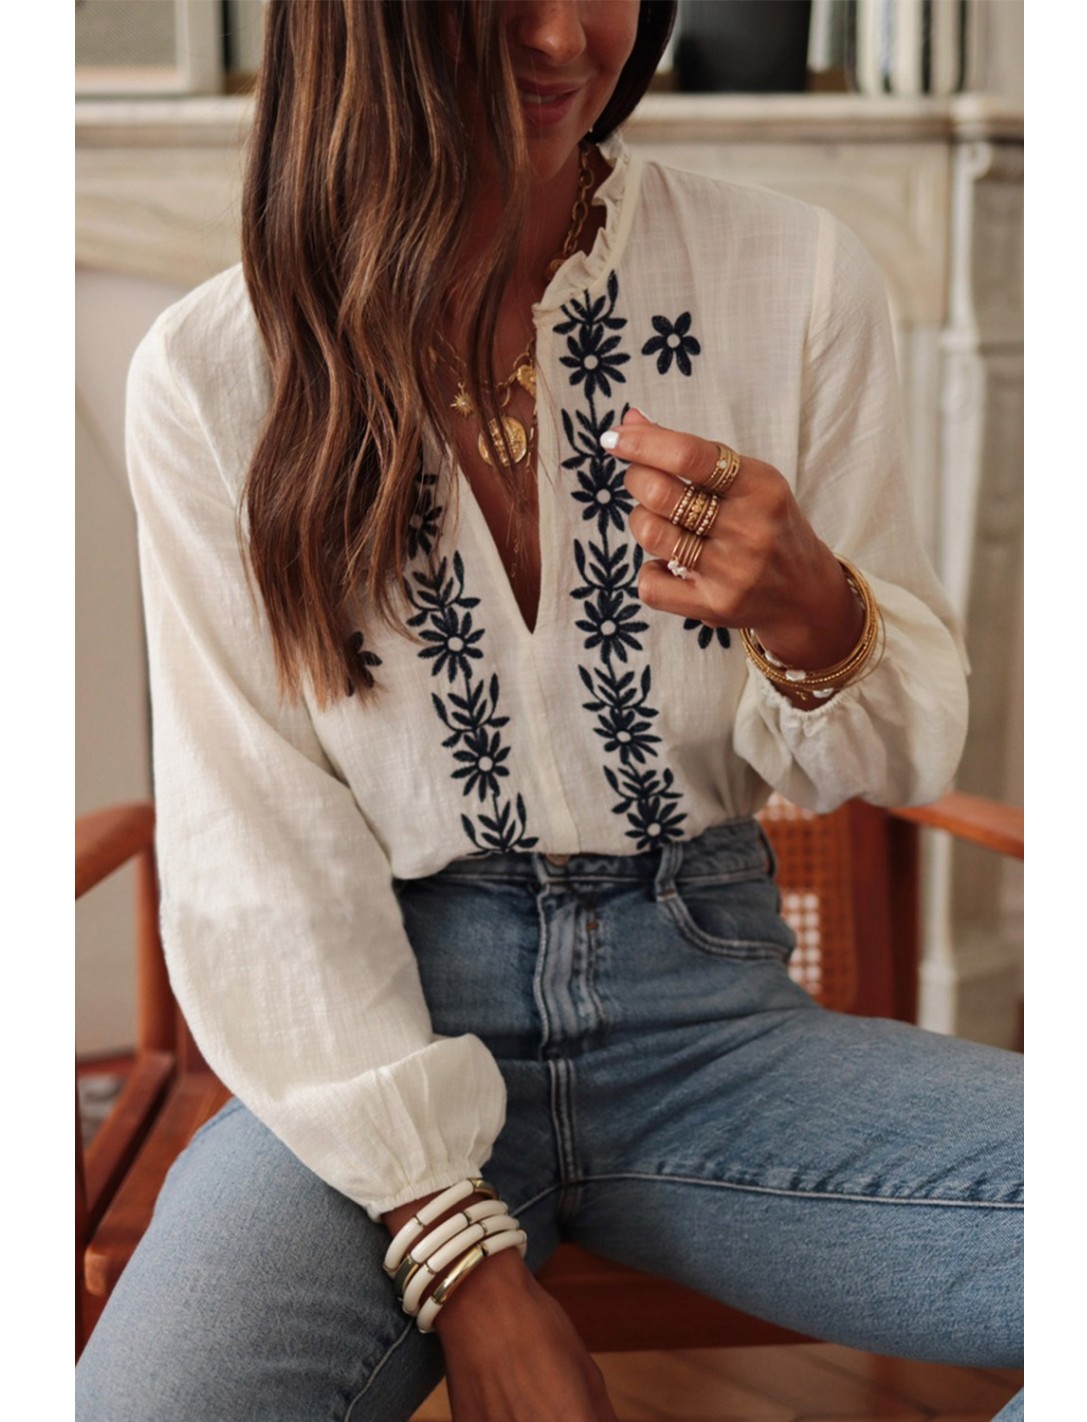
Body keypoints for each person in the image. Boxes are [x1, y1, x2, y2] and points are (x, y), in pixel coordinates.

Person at [76, 2, 1022, 1419]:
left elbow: (898, 753)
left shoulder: (792, 277)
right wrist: (464, 1264)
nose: (568, 36)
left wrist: (814, 610)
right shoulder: (219, 373)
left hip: (714, 1026)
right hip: (382, 1045)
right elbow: (255, 852)